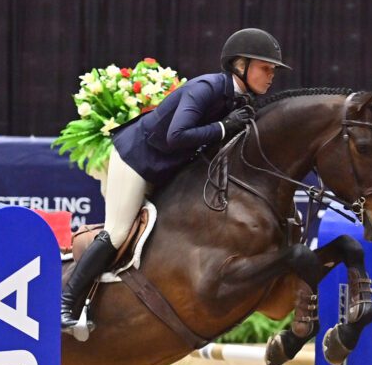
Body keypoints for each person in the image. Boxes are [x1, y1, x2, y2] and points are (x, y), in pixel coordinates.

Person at [61, 28, 290, 333]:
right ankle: (66, 301)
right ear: (240, 66)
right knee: (117, 232)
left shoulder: (240, 101)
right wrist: (224, 128)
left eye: (273, 70)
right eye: (265, 68)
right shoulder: (206, 87)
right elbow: (177, 135)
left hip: (168, 167)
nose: (271, 75)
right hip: (136, 160)